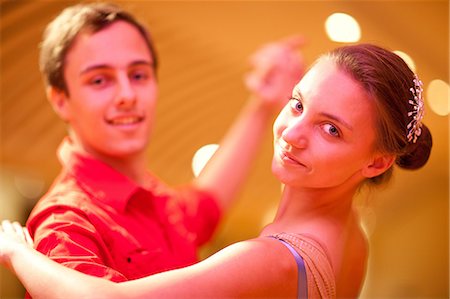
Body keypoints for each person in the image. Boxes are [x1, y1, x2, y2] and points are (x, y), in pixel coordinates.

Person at [0, 43, 432, 298]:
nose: (293, 133)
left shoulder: (271, 259)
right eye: (297, 103)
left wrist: (17, 253)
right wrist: (262, 107)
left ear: (377, 161)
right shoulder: (352, 237)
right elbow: (203, 207)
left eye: (331, 129)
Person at [21, 1, 304, 285]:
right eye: (99, 80)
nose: (127, 94)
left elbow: (207, 204)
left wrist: (262, 105)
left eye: (138, 75)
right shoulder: (67, 225)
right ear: (61, 100)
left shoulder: (153, 200)